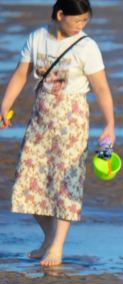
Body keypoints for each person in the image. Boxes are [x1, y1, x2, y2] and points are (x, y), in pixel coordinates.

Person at [0, 0, 115, 267]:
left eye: (85, 21)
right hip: (40, 120)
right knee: (28, 182)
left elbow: (101, 89)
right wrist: (4, 107)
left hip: (72, 123)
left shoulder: (87, 47)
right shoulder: (37, 38)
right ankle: (49, 238)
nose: (81, 26)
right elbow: (20, 76)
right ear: (60, 14)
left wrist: (110, 124)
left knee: (66, 182)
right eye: (77, 21)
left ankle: (57, 248)